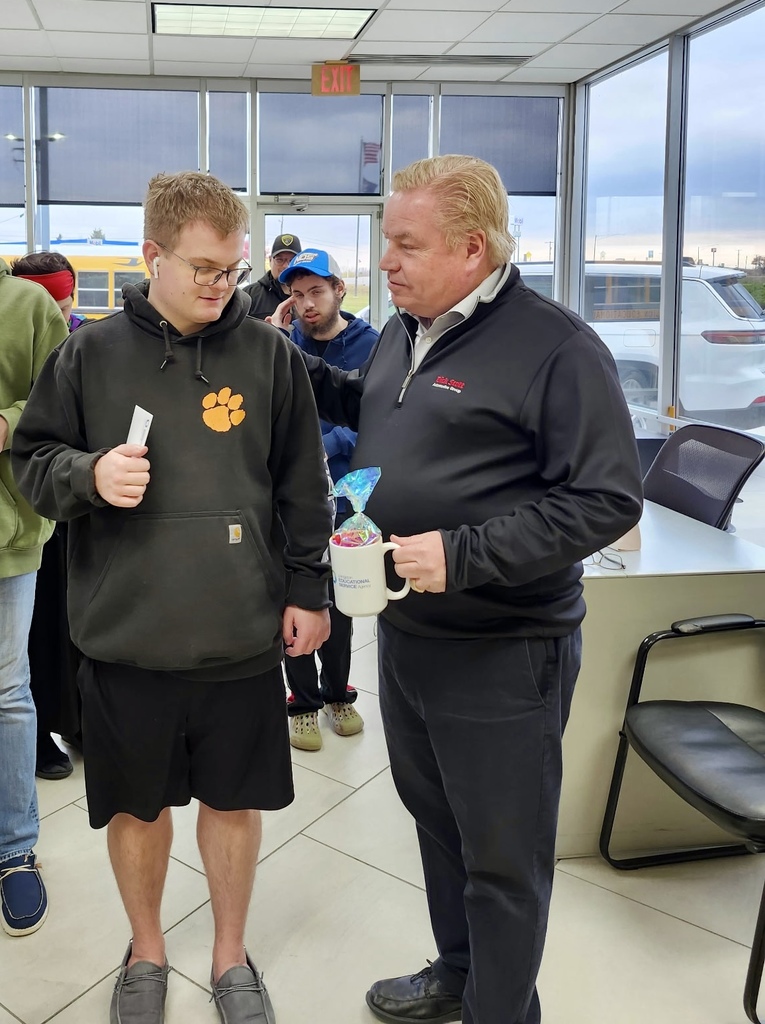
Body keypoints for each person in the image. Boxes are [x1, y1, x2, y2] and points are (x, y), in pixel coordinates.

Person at [298, 155, 643, 1024]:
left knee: (502, 857)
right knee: (437, 823)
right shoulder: (405, 331)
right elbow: (374, 407)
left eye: (405, 245)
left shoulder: (555, 347)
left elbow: (606, 499)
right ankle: (459, 974)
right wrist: (288, 366)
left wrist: (465, 553)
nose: (386, 263)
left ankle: (502, 1011)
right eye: (387, 243)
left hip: (503, 648)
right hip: (411, 639)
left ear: (472, 248)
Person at [12, 171, 333, 1024]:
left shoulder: (270, 356)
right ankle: (146, 949)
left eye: (231, 270)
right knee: (137, 804)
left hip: (240, 631)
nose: (221, 287)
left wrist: (310, 586)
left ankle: (231, 957)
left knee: (234, 801)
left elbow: (304, 484)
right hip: (128, 636)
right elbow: (32, 466)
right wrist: (88, 473)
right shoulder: (88, 354)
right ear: (150, 256)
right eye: (202, 269)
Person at [269, 248, 379, 751]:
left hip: (350, 498)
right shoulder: (284, 343)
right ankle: (303, 701)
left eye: (316, 290)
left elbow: (375, 422)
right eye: (297, 294)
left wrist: (323, 446)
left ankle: (339, 693)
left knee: (341, 601)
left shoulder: (370, 345)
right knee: (296, 596)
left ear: (339, 288)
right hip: (292, 500)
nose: (307, 303)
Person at [0, 259, 69, 937]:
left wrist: (6, 423)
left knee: (6, 694)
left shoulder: (26, 305)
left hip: (7, 538)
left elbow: (60, 406)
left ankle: (14, 850)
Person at [11, 252, 88, 781]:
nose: (59, 318)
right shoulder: (38, 331)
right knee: (36, 632)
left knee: (72, 623)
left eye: (64, 305)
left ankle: (78, 721)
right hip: (32, 502)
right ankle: (38, 736)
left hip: (76, 502)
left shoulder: (88, 339)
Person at [12, 251, 88, 332]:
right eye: (38, 313)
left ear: (72, 299)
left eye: (61, 310)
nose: (51, 320)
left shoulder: (87, 335)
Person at [243, 232, 302, 319]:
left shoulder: (310, 298)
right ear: (270, 260)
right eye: (279, 260)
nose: (286, 266)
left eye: (292, 260)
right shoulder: (249, 296)